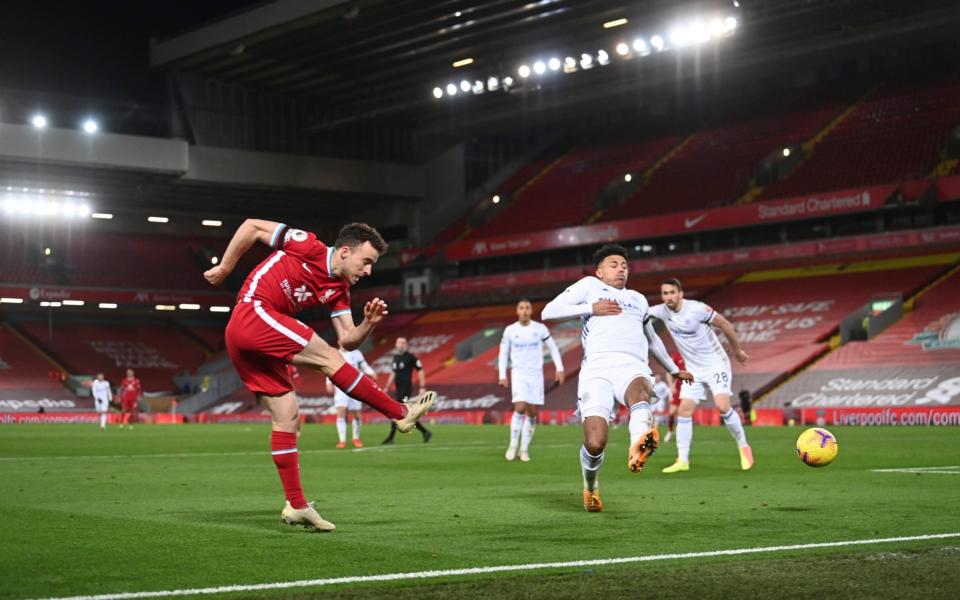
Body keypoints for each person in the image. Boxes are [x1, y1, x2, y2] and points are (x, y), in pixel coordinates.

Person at [204, 219, 435, 533]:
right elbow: (252, 227)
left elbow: (347, 340)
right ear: (343, 252)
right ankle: (399, 412)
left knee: (287, 415)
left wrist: (369, 324)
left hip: (252, 337)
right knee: (327, 357)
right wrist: (225, 268)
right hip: (253, 313)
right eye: (365, 261)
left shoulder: (338, 290)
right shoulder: (307, 244)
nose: (368, 271)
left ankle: (296, 504)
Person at [542, 244, 693, 512]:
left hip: (632, 364)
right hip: (596, 370)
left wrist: (672, 369)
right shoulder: (589, 286)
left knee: (641, 392)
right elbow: (548, 312)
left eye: (624, 265)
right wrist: (591, 307)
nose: (621, 268)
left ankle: (638, 443)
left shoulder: (638, 299)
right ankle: (591, 486)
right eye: (614, 264)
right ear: (599, 272)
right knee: (595, 442)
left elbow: (653, 339)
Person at [649, 278, 753, 473]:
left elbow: (725, 324)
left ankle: (743, 446)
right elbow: (638, 313)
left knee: (722, 406)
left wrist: (737, 351)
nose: (668, 297)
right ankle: (682, 460)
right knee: (684, 411)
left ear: (680, 293)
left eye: (672, 292)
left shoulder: (697, 309)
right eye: (665, 293)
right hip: (693, 370)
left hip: (716, 364)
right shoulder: (661, 311)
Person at [498, 298, 565, 462]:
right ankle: (513, 445)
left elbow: (553, 347)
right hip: (519, 374)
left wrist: (560, 368)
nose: (524, 311)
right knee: (520, 407)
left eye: (527, 308)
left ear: (531, 311)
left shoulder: (540, 328)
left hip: (536, 375)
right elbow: (503, 353)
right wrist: (502, 375)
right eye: (521, 308)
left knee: (532, 412)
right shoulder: (510, 330)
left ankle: (524, 449)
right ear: (517, 311)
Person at [382, 337, 432, 444]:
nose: (401, 344)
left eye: (403, 343)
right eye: (399, 342)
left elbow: (420, 370)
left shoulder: (410, 357)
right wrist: (387, 386)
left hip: (406, 388)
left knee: (396, 411)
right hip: (398, 388)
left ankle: (391, 437)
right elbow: (393, 373)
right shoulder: (395, 357)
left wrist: (422, 386)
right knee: (404, 414)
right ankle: (425, 432)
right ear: (396, 344)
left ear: (406, 345)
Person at [325, 347, 376, 448]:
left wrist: (371, 372)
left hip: (355, 386)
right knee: (341, 411)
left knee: (356, 413)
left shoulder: (356, 353)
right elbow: (328, 367)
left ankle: (356, 438)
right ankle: (342, 440)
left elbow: (364, 366)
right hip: (340, 387)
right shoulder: (335, 353)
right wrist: (328, 382)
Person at [663, 351, 686, 443]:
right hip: (678, 389)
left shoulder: (693, 352)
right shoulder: (677, 355)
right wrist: (671, 385)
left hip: (689, 389)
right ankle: (670, 431)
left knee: (683, 413)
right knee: (672, 413)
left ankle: (682, 434)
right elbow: (668, 372)